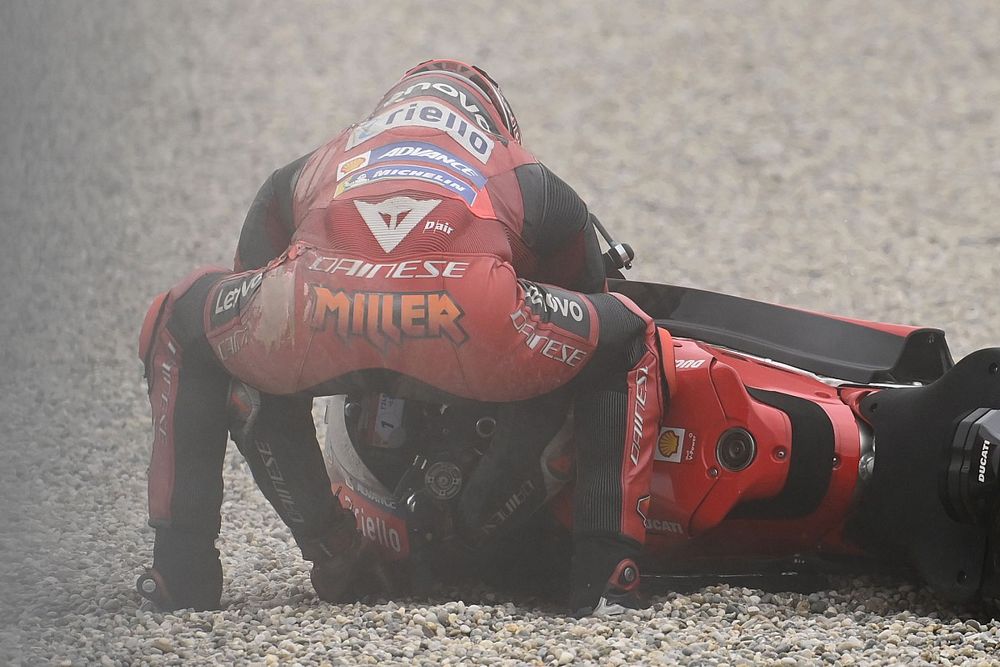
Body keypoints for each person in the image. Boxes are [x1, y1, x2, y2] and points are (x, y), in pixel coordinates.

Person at [136, 59, 666, 616]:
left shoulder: (319, 160)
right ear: (496, 118)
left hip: (311, 304)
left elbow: (250, 332)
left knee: (186, 322)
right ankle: (607, 575)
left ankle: (192, 567)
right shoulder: (517, 165)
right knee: (624, 336)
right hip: (467, 311)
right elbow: (588, 301)